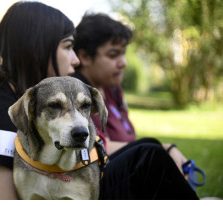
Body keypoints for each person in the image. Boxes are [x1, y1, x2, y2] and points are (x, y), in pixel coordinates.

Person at [0, 2, 79, 199]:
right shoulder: (6, 115)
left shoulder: (10, 99)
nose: (75, 60)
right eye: (68, 47)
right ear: (36, 49)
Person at [72, 13, 199, 199]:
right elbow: (98, 147)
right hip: (90, 185)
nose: (123, 63)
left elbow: (128, 142)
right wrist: (165, 148)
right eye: (113, 55)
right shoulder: (76, 94)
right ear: (84, 56)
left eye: (123, 53)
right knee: (151, 153)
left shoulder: (112, 90)